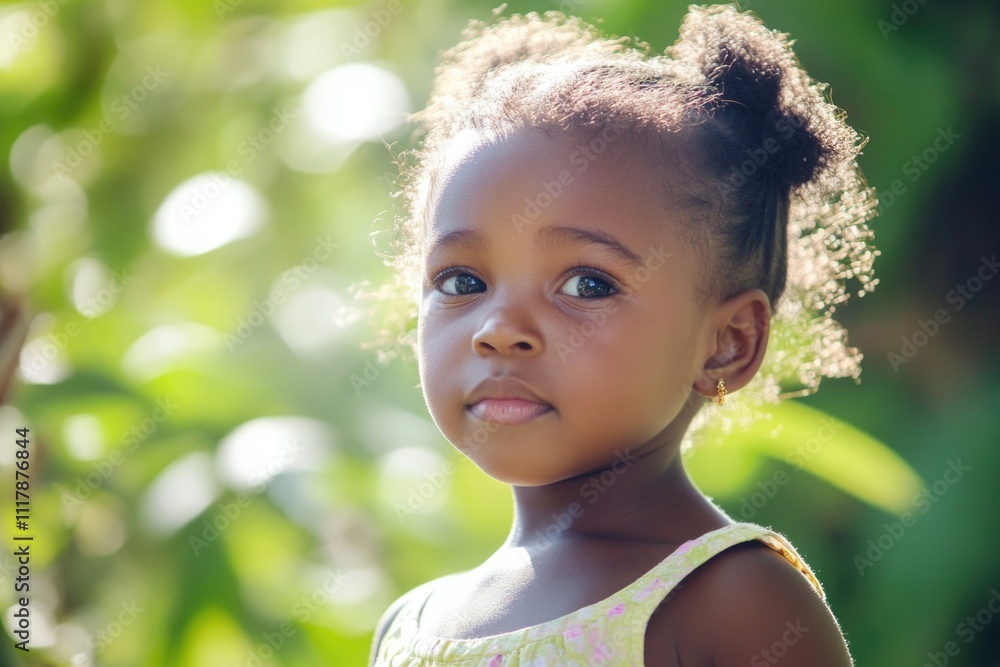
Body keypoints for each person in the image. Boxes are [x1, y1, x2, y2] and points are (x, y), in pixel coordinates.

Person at [365, 3, 878, 664]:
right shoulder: (410, 622)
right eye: (463, 281)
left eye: (586, 284)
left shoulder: (732, 600)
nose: (500, 330)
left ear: (728, 341)